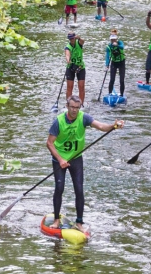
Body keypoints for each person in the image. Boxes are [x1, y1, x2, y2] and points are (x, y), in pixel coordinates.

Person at [47, 95, 125, 230]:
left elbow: (100, 126)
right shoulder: (58, 122)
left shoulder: (84, 118)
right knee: (59, 188)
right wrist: (60, 160)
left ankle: (79, 223)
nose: (74, 110)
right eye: (72, 107)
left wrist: (113, 126)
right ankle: (56, 220)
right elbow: (49, 143)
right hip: (59, 159)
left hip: (76, 158)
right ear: (67, 106)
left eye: (77, 108)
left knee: (79, 190)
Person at [64, 32, 86, 105]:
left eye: (73, 38)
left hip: (80, 67)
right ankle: (69, 104)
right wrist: (68, 60)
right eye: (70, 39)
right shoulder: (68, 47)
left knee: (81, 86)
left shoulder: (79, 43)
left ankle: (81, 104)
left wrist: (79, 38)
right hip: (70, 67)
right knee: (69, 87)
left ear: (75, 38)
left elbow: (83, 40)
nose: (72, 40)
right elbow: (67, 54)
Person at [105, 29, 126, 96]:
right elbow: (107, 56)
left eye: (114, 39)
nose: (113, 41)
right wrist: (107, 65)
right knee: (112, 79)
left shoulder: (120, 43)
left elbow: (122, 47)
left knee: (121, 80)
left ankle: (122, 95)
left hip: (121, 63)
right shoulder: (108, 46)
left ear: (116, 39)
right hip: (114, 63)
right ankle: (110, 93)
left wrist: (116, 45)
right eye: (112, 39)